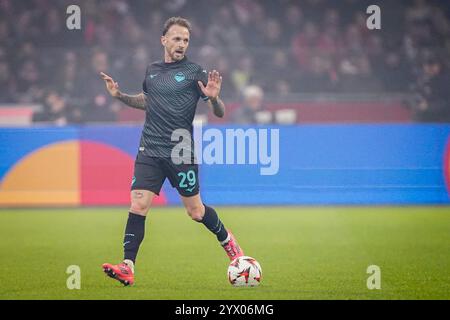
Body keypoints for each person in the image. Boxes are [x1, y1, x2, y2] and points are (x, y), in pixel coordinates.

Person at [100, 17, 244, 286]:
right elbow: (148, 101)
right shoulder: (152, 70)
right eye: (177, 39)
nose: (181, 44)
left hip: (180, 151)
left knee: (196, 212)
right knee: (138, 204)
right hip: (150, 148)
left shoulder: (194, 72)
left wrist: (213, 98)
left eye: (186, 40)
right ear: (163, 40)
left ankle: (230, 244)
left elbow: (220, 112)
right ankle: (127, 266)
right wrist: (119, 95)